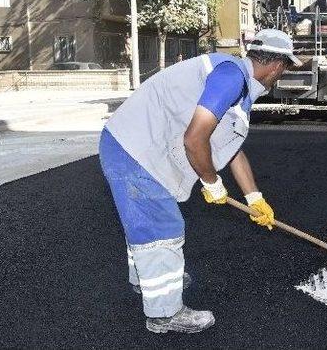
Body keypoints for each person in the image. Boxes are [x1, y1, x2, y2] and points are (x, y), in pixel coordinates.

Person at [98, 29, 301, 334]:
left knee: (144, 223)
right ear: (277, 66)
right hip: (134, 149)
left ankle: (149, 281)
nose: (281, 75)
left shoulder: (236, 80)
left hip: (132, 144)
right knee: (161, 227)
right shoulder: (230, 78)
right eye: (284, 68)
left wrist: (254, 198)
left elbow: (231, 148)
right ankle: (164, 313)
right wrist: (211, 182)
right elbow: (195, 138)